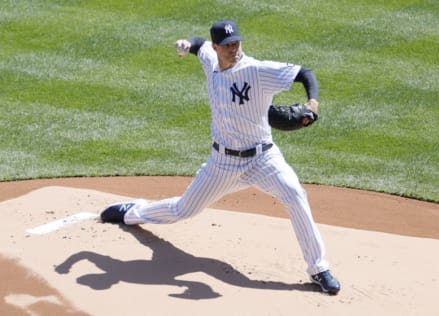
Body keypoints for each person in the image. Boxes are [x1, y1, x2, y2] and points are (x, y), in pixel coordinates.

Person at [101, 20, 340, 295]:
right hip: (223, 163)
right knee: (183, 210)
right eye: (227, 45)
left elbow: (304, 73)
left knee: (295, 195)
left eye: (236, 42)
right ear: (216, 47)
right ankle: (132, 212)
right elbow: (200, 45)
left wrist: (313, 104)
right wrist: (188, 43)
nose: (233, 49)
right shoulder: (211, 61)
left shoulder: (257, 70)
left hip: (263, 158)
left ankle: (319, 268)